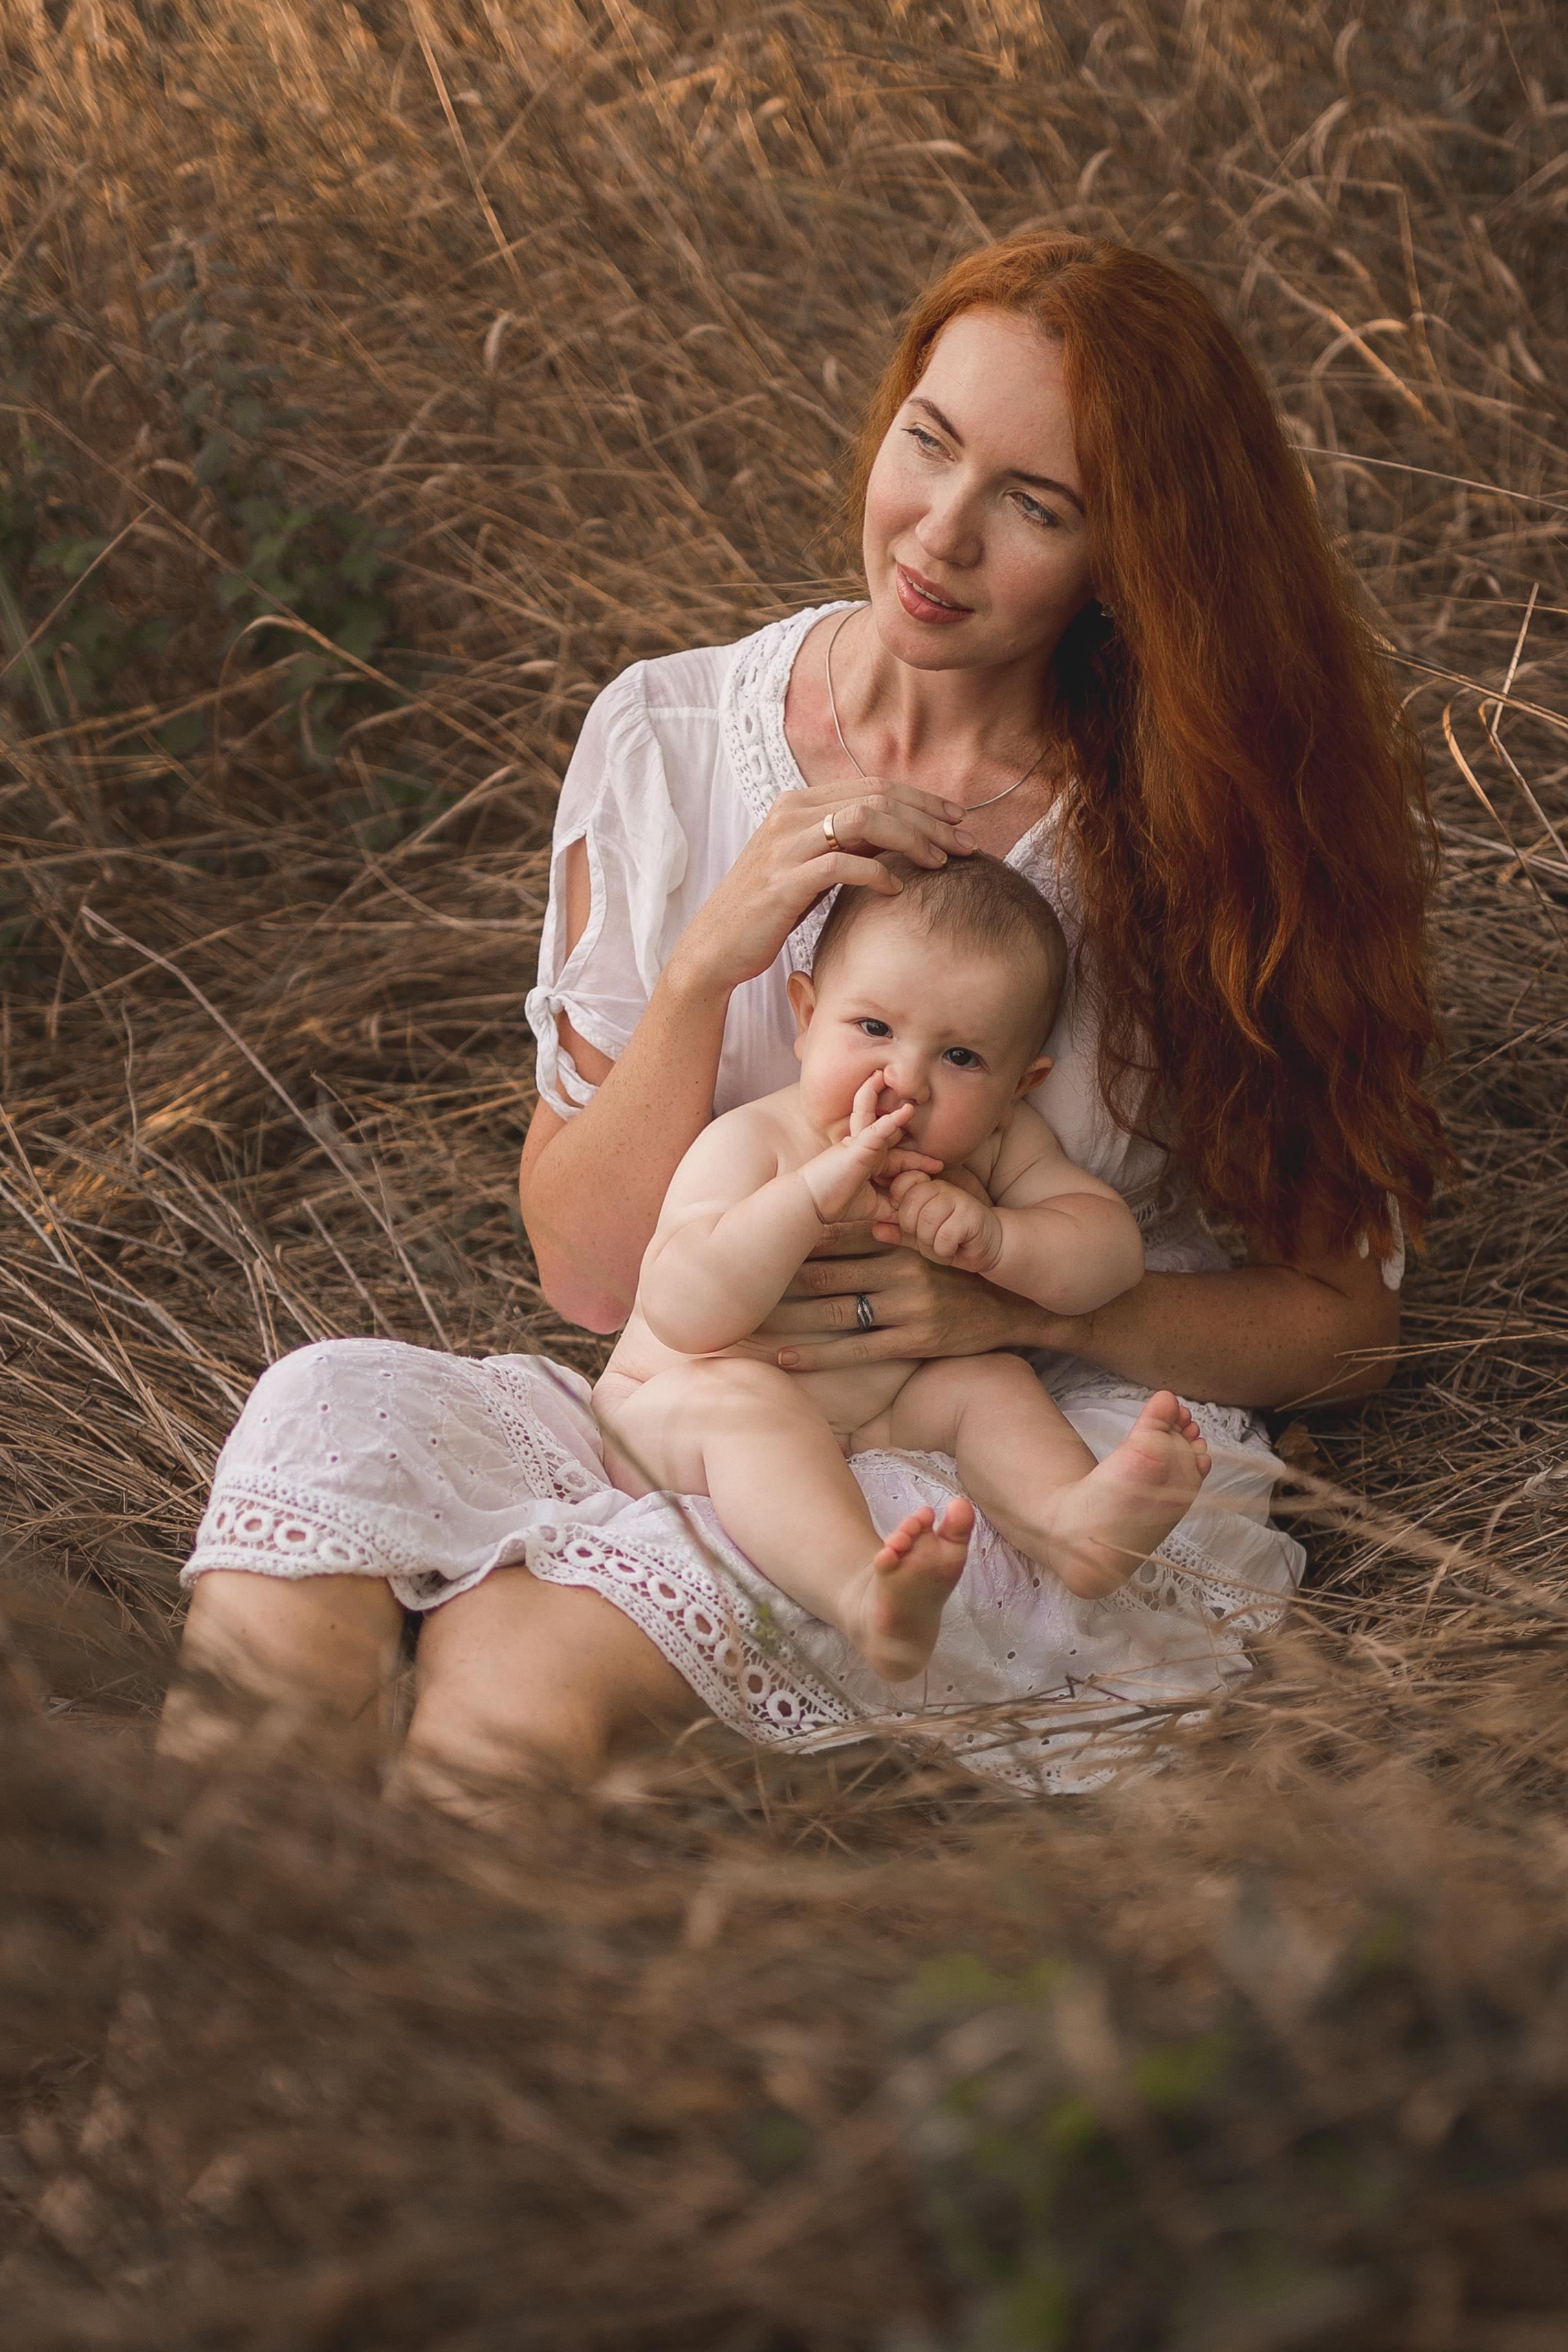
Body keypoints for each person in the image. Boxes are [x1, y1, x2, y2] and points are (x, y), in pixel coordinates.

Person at [161, 233, 1446, 1803]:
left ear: (1131, 560)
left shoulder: (1216, 831)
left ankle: (425, 2022)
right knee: (322, 1426)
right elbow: (583, 1272)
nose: (938, 532)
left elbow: (1343, 1321)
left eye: (1033, 507)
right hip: (697, 1392)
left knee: (513, 1679)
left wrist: (1025, 1312)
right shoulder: (667, 733)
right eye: (929, 440)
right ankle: (205, 1991)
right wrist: (709, 964)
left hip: (1014, 1463)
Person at [593, 851, 1210, 1685]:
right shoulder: (759, 1141)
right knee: (746, 1403)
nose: (905, 1079)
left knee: (990, 1382)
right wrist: (808, 1197)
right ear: (806, 1017)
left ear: (1017, 1087)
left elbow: (1108, 1252)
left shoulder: (996, 1149)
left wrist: (1001, 1240)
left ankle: (1076, 1523)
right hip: (675, 1418)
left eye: (961, 1057)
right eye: (874, 1028)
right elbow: (683, 1309)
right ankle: (861, 1590)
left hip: (872, 1414)